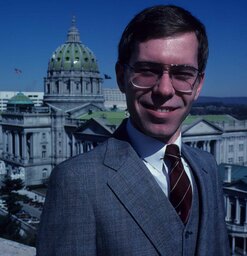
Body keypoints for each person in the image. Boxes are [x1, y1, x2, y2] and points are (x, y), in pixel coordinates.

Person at [37, 5, 230, 255]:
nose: (164, 90)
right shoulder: (75, 181)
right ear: (120, 77)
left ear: (198, 85)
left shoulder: (207, 167)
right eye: (147, 71)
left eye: (183, 73)